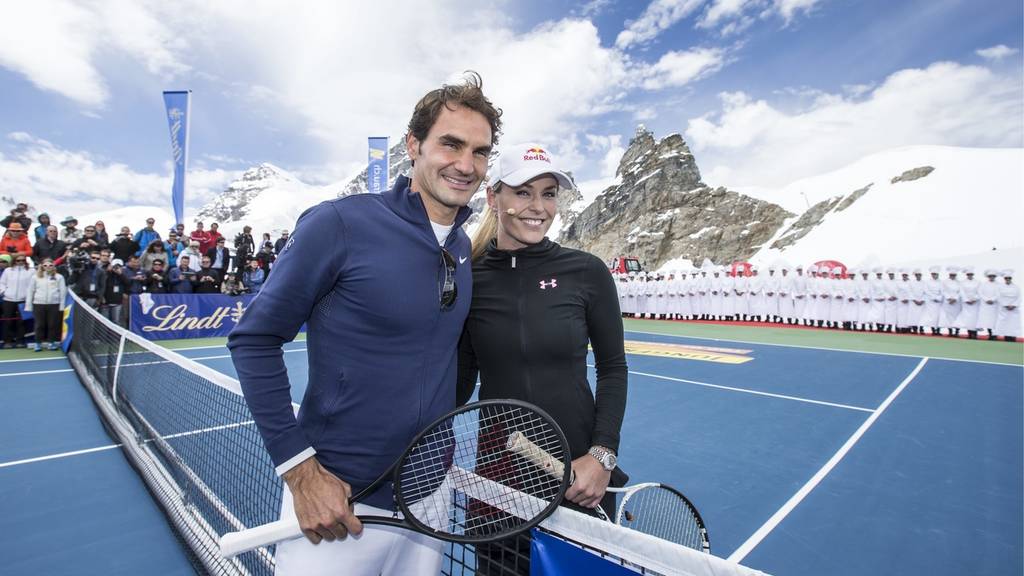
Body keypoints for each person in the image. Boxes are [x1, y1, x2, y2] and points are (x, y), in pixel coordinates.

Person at [228, 72, 499, 576]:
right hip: (339, 505)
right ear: (414, 145)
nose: (466, 165)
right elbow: (253, 339)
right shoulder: (340, 223)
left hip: (429, 500)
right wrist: (301, 474)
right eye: (451, 144)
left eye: (480, 152)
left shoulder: (462, 248)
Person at [456, 143, 628, 576]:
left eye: (548, 193)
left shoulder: (586, 272)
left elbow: (613, 368)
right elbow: (459, 377)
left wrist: (601, 456)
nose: (538, 207)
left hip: (579, 475)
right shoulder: (467, 277)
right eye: (523, 192)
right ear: (494, 198)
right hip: (495, 474)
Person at [25, 258, 67, 351]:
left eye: (50, 265)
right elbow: (30, 291)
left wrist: (61, 306)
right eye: (45, 265)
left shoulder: (59, 277)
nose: (48, 267)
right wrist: (28, 305)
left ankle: (51, 343)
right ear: (42, 266)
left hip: (54, 304)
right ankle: (38, 343)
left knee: (52, 325)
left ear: (53, 266)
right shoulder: (35, 277)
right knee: (39, 325)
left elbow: (62, 292)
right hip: (38, 304)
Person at [0, 254, 34, 347]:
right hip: (8, 299)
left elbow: (32, 285)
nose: (20, 262)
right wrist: (4, 292)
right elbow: (2, 283)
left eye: (23, 260)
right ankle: (8, 341)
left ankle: (20, 341)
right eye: (18, 260)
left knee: (21, 321)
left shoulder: (31, 271)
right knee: (8, 321)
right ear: (14, 261)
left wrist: (28, 296)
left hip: (23, 300)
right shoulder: (8, 271)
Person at [101, 259, 129, 326]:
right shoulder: (106, 274)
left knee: (116, 322)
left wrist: (120, 274)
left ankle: (113, 336)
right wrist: (107, 271)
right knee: (105, 323)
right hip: (106, 302)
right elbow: (102, 283)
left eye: (119, 266)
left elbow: (128, 283)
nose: (116, 268)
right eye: (115, 266)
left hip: (117, 302)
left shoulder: (122, 275)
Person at [995, 270, 1020, 342]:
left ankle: (1013, 337)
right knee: (1005, 323)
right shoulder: (1000, 287)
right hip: (1004, 308)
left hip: (1014, 309)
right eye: (1006, 278)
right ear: (1004, 279)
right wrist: (1005, 305)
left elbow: (1019, 297)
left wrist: (1014, 305)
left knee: (1013, 324)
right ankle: (1006, 337)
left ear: (1011, 278)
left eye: (1009, 278)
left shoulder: (1016, 287)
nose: (1008, 279)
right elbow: (998, 296)